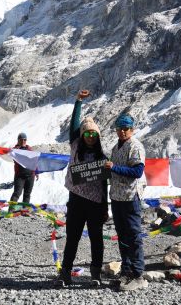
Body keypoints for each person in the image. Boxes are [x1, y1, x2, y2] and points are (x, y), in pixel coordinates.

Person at [57, 89, 108, 287]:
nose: (89, 136)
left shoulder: (102, 157)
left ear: (97, 136)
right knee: (73, 238)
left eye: (93, 134)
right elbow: (74, 125)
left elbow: (104, 183)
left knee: (97, 240)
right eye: (86, 132)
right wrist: (78, 102)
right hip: (76, 200)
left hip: (95, 203)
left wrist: (105, 207)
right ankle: (65, 274)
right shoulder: (75, 146)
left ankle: (96, 274)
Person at [104, 113, 147, 291]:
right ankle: (126, 270)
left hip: (130, 197)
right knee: (122, 235)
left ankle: (138, 274)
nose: (122, 132)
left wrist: (114, 167)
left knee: (134, 236)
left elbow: (137, 172)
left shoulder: (135, 146)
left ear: (132, 129)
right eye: (119, 128)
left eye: (126, 129)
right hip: (116, 197)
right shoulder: (116, 147)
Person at [9, 133, 38, 204]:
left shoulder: (29, 149)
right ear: (18, 140)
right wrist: (17, 149)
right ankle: (11, 210)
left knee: (27, 194)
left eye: (24, 140)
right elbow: (13, 157)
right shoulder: (15, 150)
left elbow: (34, 161)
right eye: (21, 139)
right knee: (17, 193)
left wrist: (36, 172)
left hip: (31, 175)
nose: (23, 141)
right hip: (20, 176)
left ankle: (25, 211)